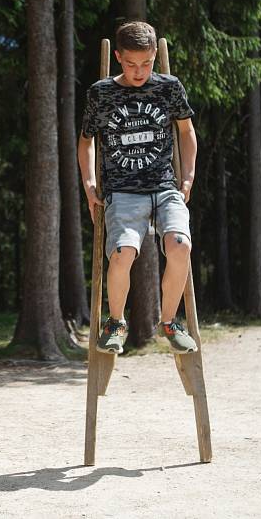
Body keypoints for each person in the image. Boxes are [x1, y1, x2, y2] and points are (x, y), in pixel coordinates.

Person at [77, 21, 199, 356]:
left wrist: (187, 176)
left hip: (164, 186)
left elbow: (186, 132)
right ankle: (115, 322)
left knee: (180, 246)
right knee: (122, 253)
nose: (139, 71)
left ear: (155, 56)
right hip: (122, 191)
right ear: (118, 57)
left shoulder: (169, 87)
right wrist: (89, 183)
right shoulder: (101, 93)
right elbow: (86, 140)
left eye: (146, 63)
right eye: (131, 64)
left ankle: (170, 322)